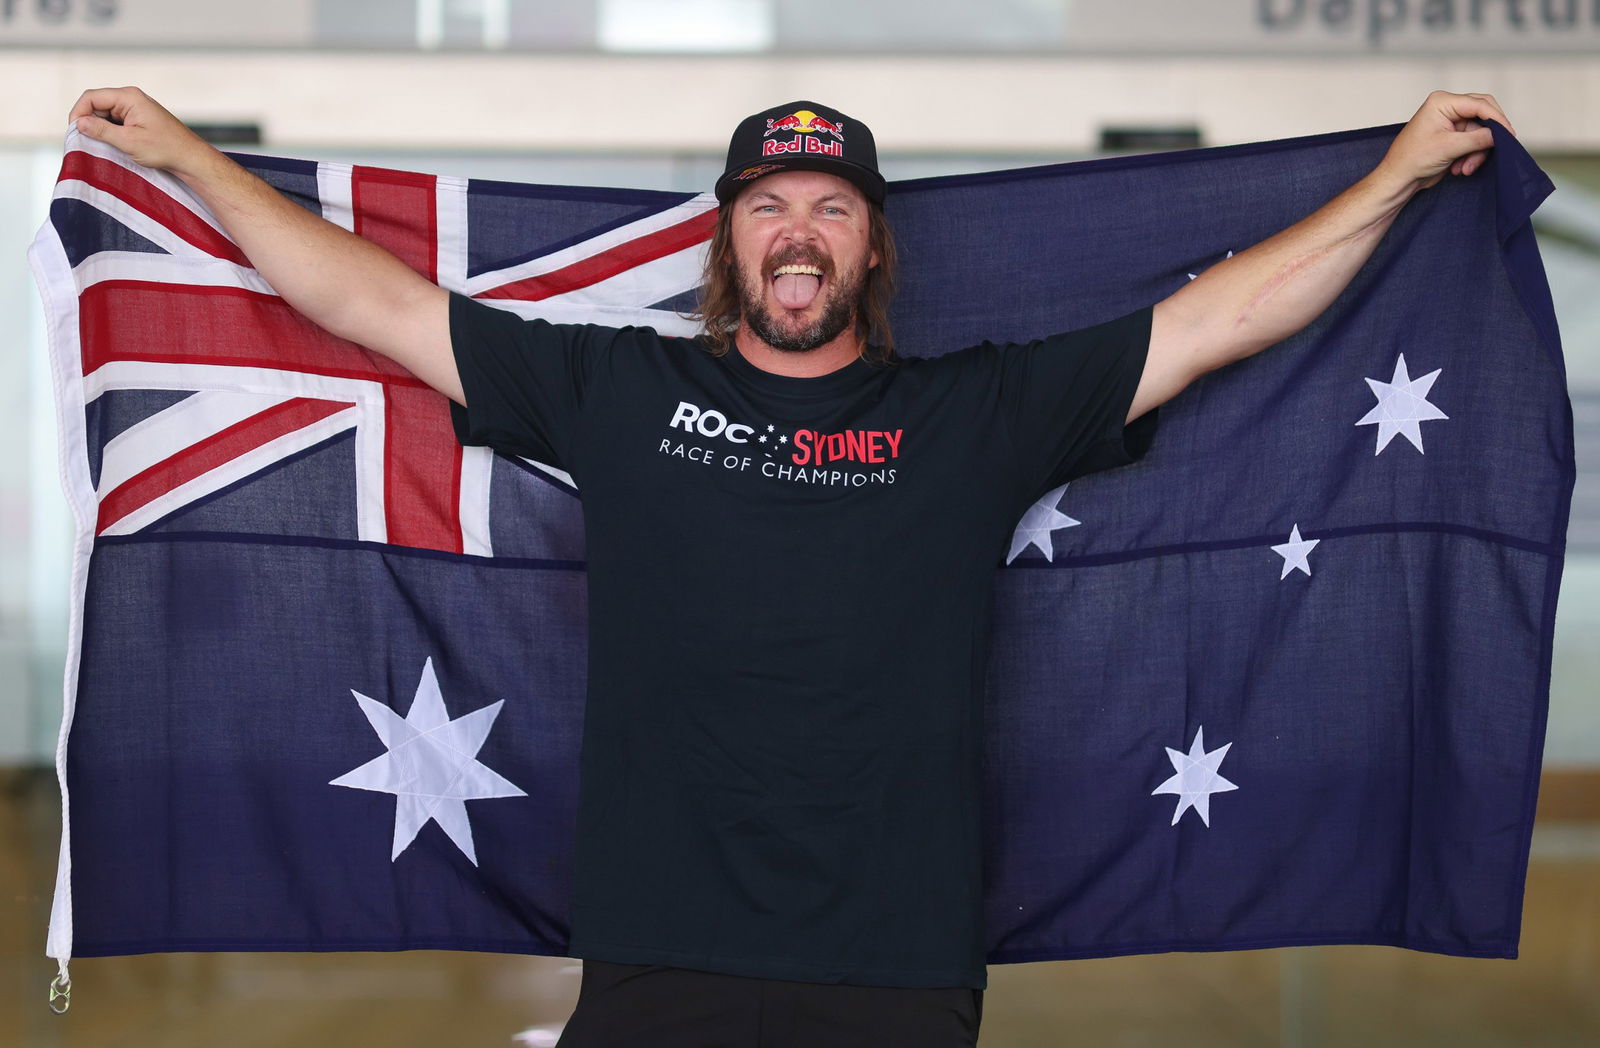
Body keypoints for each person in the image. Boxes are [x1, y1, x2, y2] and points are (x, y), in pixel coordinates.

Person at [66, 87, 1515, 1047]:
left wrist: (1394, 177)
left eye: (830, 207)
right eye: (769, 205)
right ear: (730, 241)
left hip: (896, 957)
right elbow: (369, 302)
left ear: (873, 245)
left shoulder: (974, 413)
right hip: (660, 943)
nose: (799, 232)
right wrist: (184, 159)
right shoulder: (616, 395)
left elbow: (1223, 324)